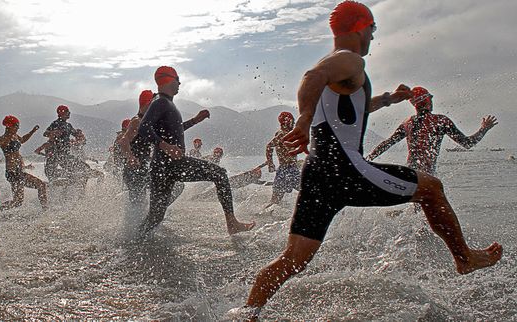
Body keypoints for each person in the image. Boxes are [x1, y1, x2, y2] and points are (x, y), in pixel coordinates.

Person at [238, 2, 502, 319]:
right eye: (372, 29)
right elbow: (313, 76)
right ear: (360, 27)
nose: (373, 37)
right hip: (344, 168)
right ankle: (464, 258)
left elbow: (353, 109)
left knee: (293, 258)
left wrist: (389, 99)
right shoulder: (347, 60)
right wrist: (304, 119)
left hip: (318, 173)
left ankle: (247, 311)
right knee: (432, 188)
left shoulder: (344, 72)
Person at [137, 66, 255, 236]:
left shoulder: (166, 103)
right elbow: (144, 128)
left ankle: (135, 240)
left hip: (163, 167)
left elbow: (175, 131)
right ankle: (232, 223)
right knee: (219, 174)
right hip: (170, 164)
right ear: (169, 80)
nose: (180, 83)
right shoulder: (161, 102)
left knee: (156, 216)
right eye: (177, 79)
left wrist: (195, 120)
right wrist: (166, 146)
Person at [367, 86, 498, 174]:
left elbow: (387, 143)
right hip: (427, 175)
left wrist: (367, 159)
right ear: (428, 100)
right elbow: (468, 143)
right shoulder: (440, 121)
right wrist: (484, 128)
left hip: (411, 174)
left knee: (418, 208)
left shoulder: (407, 123)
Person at [0, 115, 47, 210]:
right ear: (9, 126)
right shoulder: (3, 139)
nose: (18, 128)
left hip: (19, 171)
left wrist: (32, 131)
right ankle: (45, 209)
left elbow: (23, 140)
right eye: (16, 126)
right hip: (13, 172)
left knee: (18, 201)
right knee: (40, 186)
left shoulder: (15, 136)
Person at [264, 111, 301, 207]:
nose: (293, 123)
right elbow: (269, 146)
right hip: (284, 169)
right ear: (287, 121)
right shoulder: (282, 134)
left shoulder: (289, 134)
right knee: (276, 198)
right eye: (292, 121)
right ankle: (264, 213)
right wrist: (270, 163)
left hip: (292, 168)